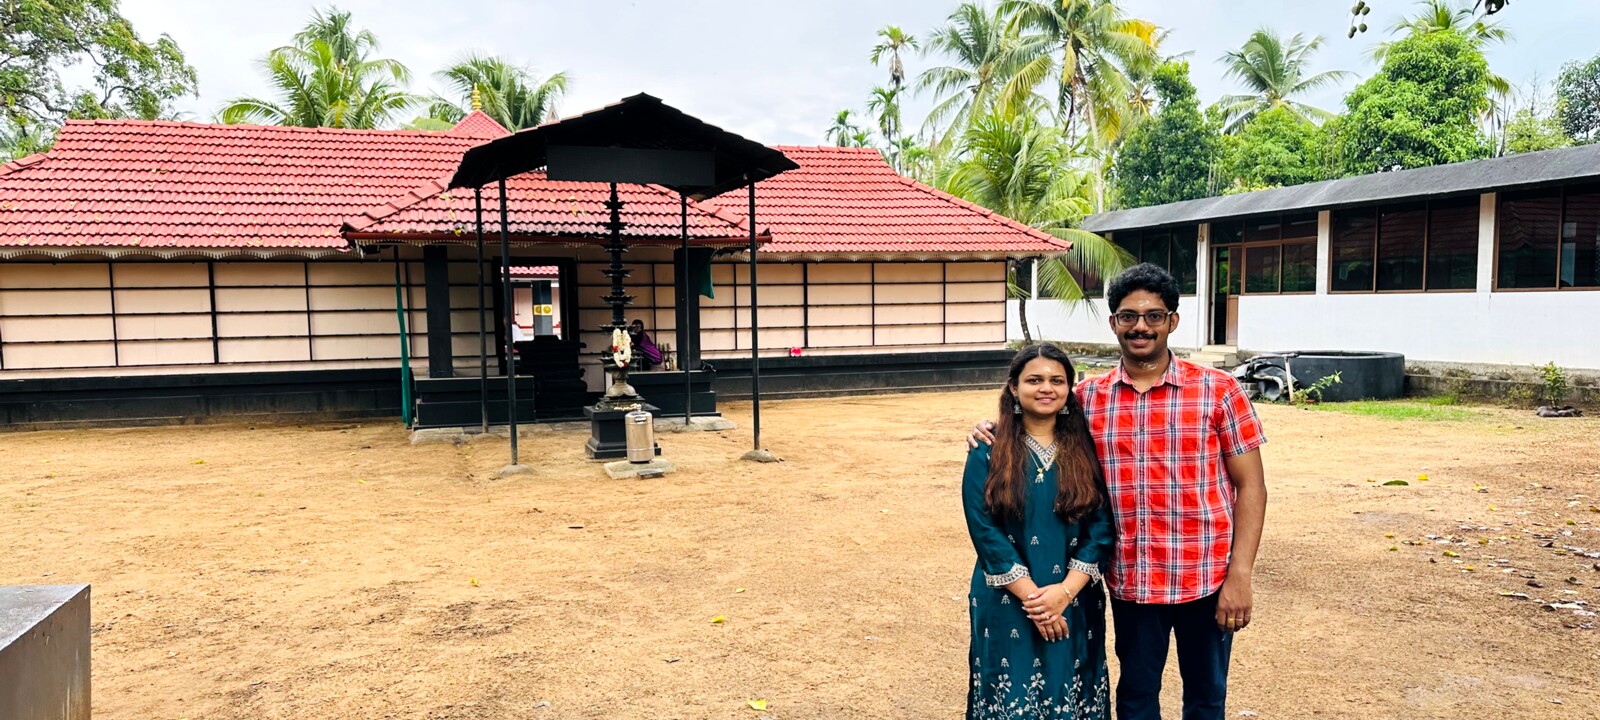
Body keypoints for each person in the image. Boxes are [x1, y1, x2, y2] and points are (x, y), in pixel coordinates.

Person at [970, 263, 1267, 720]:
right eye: (1129, 316)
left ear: (1172, 320)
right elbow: (1038, 413)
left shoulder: (1218, 391)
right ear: (1114, 323)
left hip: (1205, 576)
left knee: (1207, 698)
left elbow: (1252, 487)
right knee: (1135, 698)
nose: (1140, 326)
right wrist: (989, 429)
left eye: (1153, 316)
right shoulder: (1089, 398)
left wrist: (1240, 574)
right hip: (1134, 581)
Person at [963, 343, 1115, 719]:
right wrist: (1037, 602)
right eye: (1034, 380)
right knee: (1012, 691)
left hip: (1076, 598)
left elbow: (1101, 525)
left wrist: (1064, 592)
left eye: (1056, 381)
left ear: (1069, 390)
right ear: (1014, 388)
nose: (1046, 388)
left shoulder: (1089, 447)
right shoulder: (987, 449)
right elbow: (984, 530)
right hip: (1007, 598)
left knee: (1073, 685)